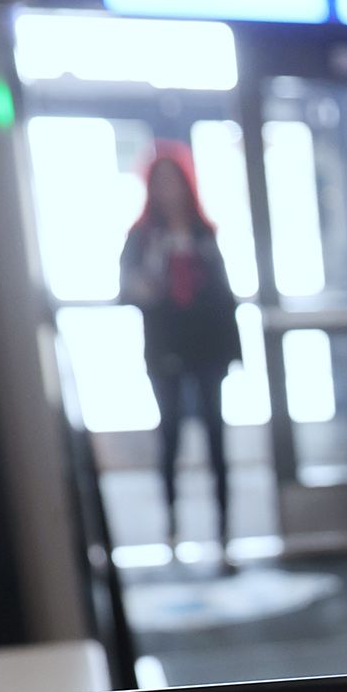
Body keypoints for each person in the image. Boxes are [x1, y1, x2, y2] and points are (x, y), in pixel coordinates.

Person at [119, 144, 243, 547]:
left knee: (214, 433)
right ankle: (171, 523)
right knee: (170, 431)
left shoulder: (202, 232)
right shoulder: (141, 237)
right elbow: (128, 289)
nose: (168, 191)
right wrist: (148, 280)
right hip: (165, 347)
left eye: (174, 182)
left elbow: (224, 293)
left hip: (207, 346)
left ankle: (224, 524)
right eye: (161, 183)